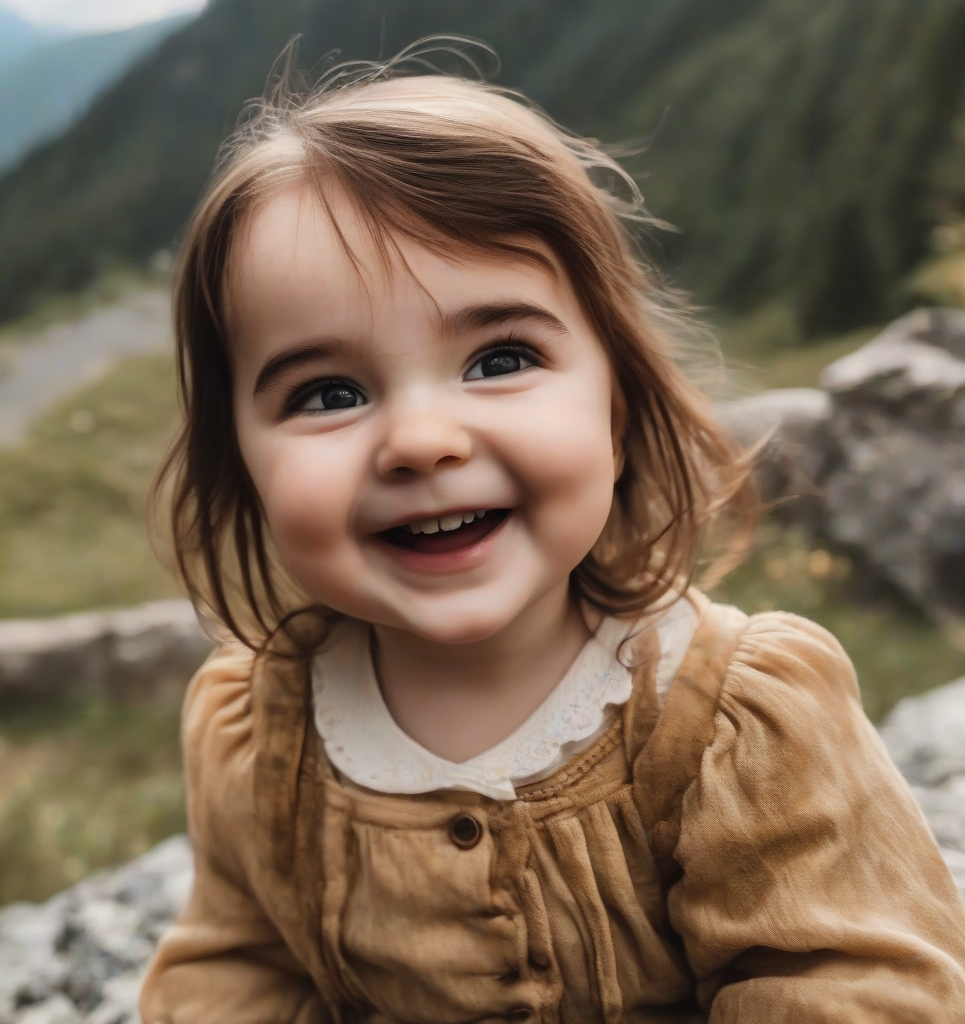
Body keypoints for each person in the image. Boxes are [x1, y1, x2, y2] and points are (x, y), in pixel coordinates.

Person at [138, 45, 965, 1024]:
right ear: (244, 465)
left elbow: (861, 988)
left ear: (615, 409)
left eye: (498, 358)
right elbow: (232, 973)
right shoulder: (257, 733)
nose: (421, 441)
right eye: (330, 392)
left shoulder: (726, 721)